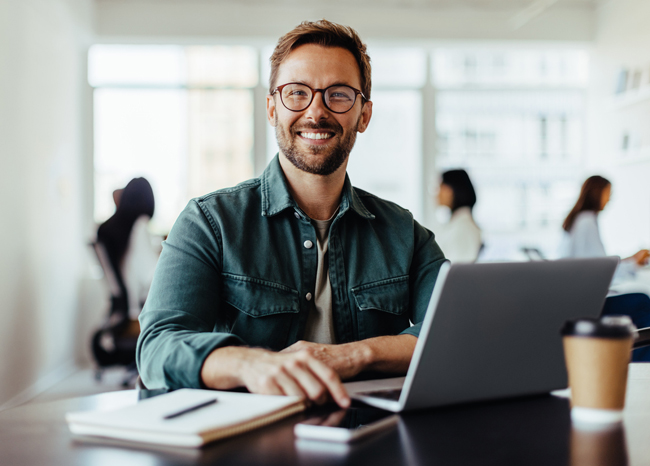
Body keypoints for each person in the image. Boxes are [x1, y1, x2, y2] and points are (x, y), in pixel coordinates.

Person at [136, 20, 446, 408]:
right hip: (246, 445)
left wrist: (353, 355)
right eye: (297, 93)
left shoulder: (406, 235)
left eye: (338, 95)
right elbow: (157, 347)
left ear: (363, 115)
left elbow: (453, 334)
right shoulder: (209, 222)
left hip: (372, 440)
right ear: (271, 108)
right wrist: (250, 363)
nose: (316, 112)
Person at [560, 175, 649, 282]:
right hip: (587, 289)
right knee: (643, 296)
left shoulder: (582, 219)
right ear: (597, 193)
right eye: (608, 193)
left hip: (581, 286)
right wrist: (634, 262)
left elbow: (600, 262)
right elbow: (602, 269)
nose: (609, 199)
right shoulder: (587, 221)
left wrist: (632, 258)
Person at [97, 177, 160, 320]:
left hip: (118, 312)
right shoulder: (140, 226)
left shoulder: (108, 229)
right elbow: (150, 277)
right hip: (139, 313)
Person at [435, 169, 482, 263]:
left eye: (440, 187)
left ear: (452, 190)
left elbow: (455, 270)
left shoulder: (463, 227)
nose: (437, 193)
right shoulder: (458, 223)